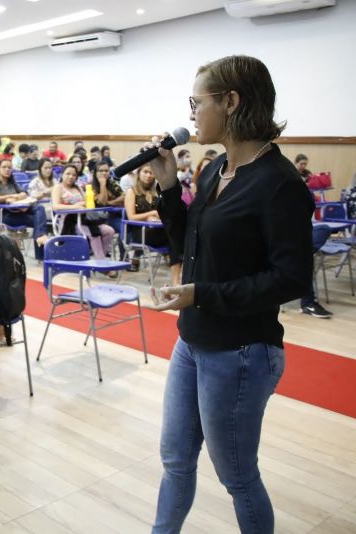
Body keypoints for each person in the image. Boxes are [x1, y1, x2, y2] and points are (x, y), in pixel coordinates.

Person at [147, 55, 313, 534]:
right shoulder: (214, 170)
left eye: (197, 102)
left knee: (237, 476)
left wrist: (202, 294)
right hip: (193, 340)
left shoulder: (279, 184)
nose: (192, 113)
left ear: (232, 101)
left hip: (241, 349)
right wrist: (166, 184)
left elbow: (290, 279)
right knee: (176, 460)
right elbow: (187, 243)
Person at [123, 164, 181, 284]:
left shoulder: (156, 192)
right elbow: (131, 217)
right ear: (139, 173)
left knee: (175, 238)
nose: (149, 175)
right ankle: (177, 280)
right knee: (175, 236)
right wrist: (151, 213)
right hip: (140, 233)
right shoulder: (131, 191)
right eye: (145, 172)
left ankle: (176, 280)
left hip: (158, 231)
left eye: (151, 172)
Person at [51, 164, 116, 264]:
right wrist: (74, 206)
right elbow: (55, 206)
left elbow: (87, 203)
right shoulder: (58, 188)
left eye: (74, 175)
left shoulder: (78, 188)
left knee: (109, 231)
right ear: (62, 175)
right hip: (69, 222)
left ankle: (98, 258)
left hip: (85, 219)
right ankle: (102, 264)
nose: (71, 177)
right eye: (68, 174)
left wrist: (85, 203)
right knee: (95, 234)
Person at [0, 159, 49, 258]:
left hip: (19, 210)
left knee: (40, 208)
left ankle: (40, 237)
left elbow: (24, 193)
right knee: (39, 222)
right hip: (5, 216)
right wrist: (11, 196)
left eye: (9, 167)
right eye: (4, 167)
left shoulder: (12, 182)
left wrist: (22, 195)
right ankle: (40, 254)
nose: (7, 169)